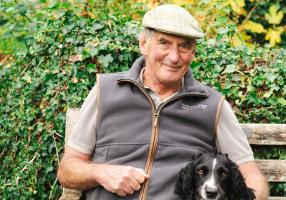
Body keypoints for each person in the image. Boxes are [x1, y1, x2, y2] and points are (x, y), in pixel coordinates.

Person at [57, 4, 269, 200]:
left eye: (184, 47)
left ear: (193, 53)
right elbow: (67, 171)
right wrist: (100, 172)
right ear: (143, 44)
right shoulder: (106, 90)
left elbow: (252, 178)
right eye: (164, 43)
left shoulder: (213, 105)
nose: (174, 57)